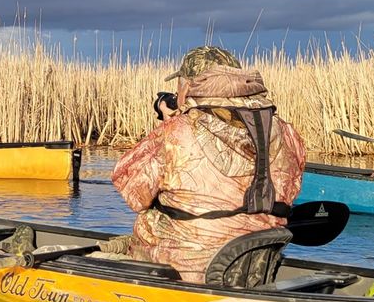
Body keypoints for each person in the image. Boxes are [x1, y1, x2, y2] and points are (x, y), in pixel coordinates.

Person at [108, 46, 307, 283]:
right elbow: (290, 190)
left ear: (189, 85)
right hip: (254, 270)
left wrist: (169, 122)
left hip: (181, 268)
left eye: (180, 85)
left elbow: (132, 190)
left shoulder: (176, 133)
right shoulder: (286, 132)